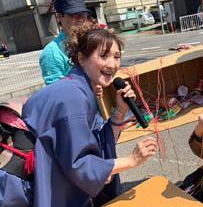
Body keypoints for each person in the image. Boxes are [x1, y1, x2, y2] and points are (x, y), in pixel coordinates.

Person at [3, 28, 157, 207]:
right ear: (82, 59)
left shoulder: (76, 87)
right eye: (104, 55)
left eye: (116, 56)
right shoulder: (72, 96)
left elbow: (93, 142)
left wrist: (120, 111)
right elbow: (80, 165)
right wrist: (131, 160)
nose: (112, 64)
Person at [39, 0, 92, 85]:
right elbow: (58, 91)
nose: (81, 18)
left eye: (83, 14)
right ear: (60, 17)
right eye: (75, 14)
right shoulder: (52, 52)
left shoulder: (92, 40)